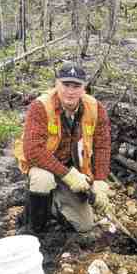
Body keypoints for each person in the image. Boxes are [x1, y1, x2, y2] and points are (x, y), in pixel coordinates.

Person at [14, 63, 112, 234]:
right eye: (66, 85)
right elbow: (32, 150)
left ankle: (51, 205)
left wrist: (100, 181)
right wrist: (67, 175)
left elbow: (102, 145)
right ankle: (34, 229)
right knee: (43, 180)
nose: (70, 91)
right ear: (56, 84)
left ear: (84, 88)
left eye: (76, 86)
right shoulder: (40, 106)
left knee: (85, 225)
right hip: (43, 166)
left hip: (75, 171)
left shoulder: (96, 109)